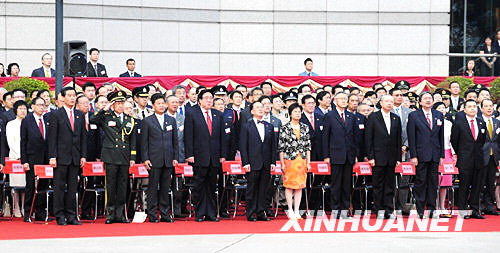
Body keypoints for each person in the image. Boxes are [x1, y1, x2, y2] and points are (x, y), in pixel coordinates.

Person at [90, 91, 136, 224]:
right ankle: (110, 214)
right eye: (118, 104)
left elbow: (132, 140)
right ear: (113, 105)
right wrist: (104, 109)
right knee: (110, 186)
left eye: (122, 103)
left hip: (124, 156)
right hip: (110, 155)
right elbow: (93, 120)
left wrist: (132, 156)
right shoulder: (106, 117)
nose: (121, 106)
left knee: (122, 186)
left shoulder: (129, 119)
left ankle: (120, 214)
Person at [184, 90, 226, 222]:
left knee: (212, 186)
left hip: (214, 157)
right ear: (200, 100)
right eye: (206, 98)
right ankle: (200, 212)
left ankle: (211, 213)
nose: (209, 100)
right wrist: (189, 154)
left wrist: (222, 155)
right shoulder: (192, 114)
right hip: (199, 156)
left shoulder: (218, 114)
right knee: (199, 185)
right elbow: (188, 136)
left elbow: (222, 137)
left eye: (211, 98)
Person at [48, 87, 87, 226]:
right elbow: (52, 138)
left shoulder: (79, 115)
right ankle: (59, 215)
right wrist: (52, 156)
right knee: (59, 187)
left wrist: (83, 155)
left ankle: (72, 215)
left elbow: (83, 137)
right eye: (69, 95)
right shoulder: (56, 115)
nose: (72, 98)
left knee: (72, 188)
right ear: (63, 98)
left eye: (74, 95)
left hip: (75, 157)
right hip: (60, 157)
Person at [407, 92, 445, 218]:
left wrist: (441, 155)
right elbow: (411, 137)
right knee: (421, 182)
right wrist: (413, 155)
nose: (428, 100)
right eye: (425, 99)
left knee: (433, 182)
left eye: (430, 98)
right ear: (420, 101)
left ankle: (432, 208)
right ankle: (420, 209)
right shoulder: (414, 115)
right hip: (420, 154)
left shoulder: (438, 115)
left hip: (435, 154)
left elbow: (441, 136)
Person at [141, 93, 178, 223]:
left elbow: (175, 142)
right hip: (154, 159)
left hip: (168, 159)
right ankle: (152, 214)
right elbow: (144, 142)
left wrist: (175, 157)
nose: (161, 106)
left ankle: (165, 213)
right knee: (153, 188)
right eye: (159, 103)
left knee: (165, 188)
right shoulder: (147, 121)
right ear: (153, 105)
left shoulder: (171, 120)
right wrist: (145, 158)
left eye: (163, 103)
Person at [365, 95, 402, 219]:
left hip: (391, 158)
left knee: (390, 185)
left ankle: (389, 210)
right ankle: (379, 209)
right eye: (387, 101)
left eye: (391, 102)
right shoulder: (373, 117)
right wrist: (370, 157)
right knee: (378, 185)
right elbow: (368, 139)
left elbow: (398, 139)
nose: (389, 104)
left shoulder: (396, 118)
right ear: (381, 103)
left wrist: (398, 158)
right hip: (377, 157)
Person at [322, 92, 358, 219]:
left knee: (347, 185)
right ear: (335, 101)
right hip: (335, 155)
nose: (343, 101)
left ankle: (345, 209)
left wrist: (355, 154)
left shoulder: (351, 116)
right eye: (341, 99)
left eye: (345, 99)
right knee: (336, 184)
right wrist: (326, 155)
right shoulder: (330, 116)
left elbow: (355, 137)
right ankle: (335, 209)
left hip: (349, 156)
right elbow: (325, 137)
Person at [240, 101, 276, 221]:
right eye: (257, 107)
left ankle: (261, 212)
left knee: (263, 189)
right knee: (252, 188)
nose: (261, 109)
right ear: (252, 111)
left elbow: (273, 146)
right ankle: (250, 213)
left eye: (262, 107)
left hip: (266, 163)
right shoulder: (246, 125)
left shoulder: (269, 126)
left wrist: (272, 162)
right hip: (252, 162)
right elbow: (243, 146)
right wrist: (245, 162)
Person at [451, 99, 486, 219]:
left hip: (479, 159)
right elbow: (454, 141)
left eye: (474, 107)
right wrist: (462, 153)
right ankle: (462, 210)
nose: (472, 109)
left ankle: (475, 210)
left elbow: (483, 141)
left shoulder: (481, 122)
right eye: (469, 107)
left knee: (477, 186)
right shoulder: (459, 123)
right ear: (464, 109)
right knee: (464, 186)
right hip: (465, 159)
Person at [278, 103, 311, 220]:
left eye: (299, 111)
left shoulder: (305, 127)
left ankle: (297, 210)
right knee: (289, 186)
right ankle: (290, 209)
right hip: (289, 160)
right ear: (290, 113)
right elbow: (281, 147)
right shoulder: (285, 128)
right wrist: (282, 163)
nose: (298, 114)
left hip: (301, 160)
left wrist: (308, 162)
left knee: (300, 186)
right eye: (295, 111)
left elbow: (308, 146)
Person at [21, 97, 51, 222]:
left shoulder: (47, 119)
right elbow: (23, 141)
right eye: (38, 105)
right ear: (32, 106)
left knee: (43, 186)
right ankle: (28, 212)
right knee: (30, 187)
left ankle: (40, 212)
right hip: (32, 158)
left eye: (43, 105)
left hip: (45, 160)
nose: (41, 107)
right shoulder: (27, 121)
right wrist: (24, 161)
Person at [6, 100, 28, 218]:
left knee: (25, 185)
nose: (23, 111)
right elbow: (10, 142)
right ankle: (16, 207)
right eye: (20, 108)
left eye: (24, 108)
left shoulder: (29, 123)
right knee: (16, 185)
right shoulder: (11, 124)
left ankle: (24, 206)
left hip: (27, 159)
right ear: (16, 110)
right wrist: (19, 155)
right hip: (15, 157)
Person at [480, 99, 500, 215]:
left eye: (491, 106)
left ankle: (489, 206)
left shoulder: (497, 122)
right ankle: (479, 205)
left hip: (494, 156)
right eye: (486, 106)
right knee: (480, 182)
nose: (489, 108)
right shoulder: (478, 121)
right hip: (482, 156)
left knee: (491, 182)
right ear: (481, 108)